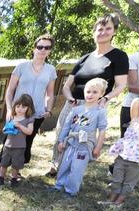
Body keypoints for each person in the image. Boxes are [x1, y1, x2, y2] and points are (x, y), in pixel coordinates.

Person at [47, 13, 128, 176]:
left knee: (80, 137)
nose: (103, 32)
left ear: (114, 32)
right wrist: (70, 98)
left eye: (108, 28)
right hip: (73, 103)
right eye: (100, 29)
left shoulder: (119, 56)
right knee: (62, 132)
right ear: (94, 32)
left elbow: (121, 85)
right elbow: (67, 85)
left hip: (92, 106)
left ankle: (73, 168)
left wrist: (105, 98)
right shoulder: (84, 58)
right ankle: (56, 165)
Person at [0, 34, 57, 166]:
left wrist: (49, 110)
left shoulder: (51, 70)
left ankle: (16, 171)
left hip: (36, 114)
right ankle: (0, 171)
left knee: (26, 143)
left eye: (47, 47)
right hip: (17, 112)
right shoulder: (21, 66)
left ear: (50, 51)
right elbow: (10, 90)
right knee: (8, 140)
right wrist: (9, 110)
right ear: (34, 48)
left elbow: (50, 93)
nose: (43, 50)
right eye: (40, 46)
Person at [49, 78, 109, 197]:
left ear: (101, 95)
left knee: (77, 168)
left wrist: (98, 147)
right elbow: (66, 127)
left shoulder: (100, 112)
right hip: (70, 143)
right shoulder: (76, 110)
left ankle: (71, 190)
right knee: (64, 164)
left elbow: (102, 130)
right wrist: (61, 141)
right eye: (88, 91)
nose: (90, 94)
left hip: (84, 146)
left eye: (95, 92)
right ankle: (59, 185)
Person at [0, 94, 35, 187]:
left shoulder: (28, 119)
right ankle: (1, 177)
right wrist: (6, 129)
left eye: (23, 107)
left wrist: (20, 126)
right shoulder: (12, 117)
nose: (20, 109)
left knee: (16, 164)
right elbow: (5, 129)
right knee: (4, 162)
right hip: (8, 145)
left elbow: (30, 132)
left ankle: (14, 179)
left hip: (19, 146)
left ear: (29, 108)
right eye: (18, 106)